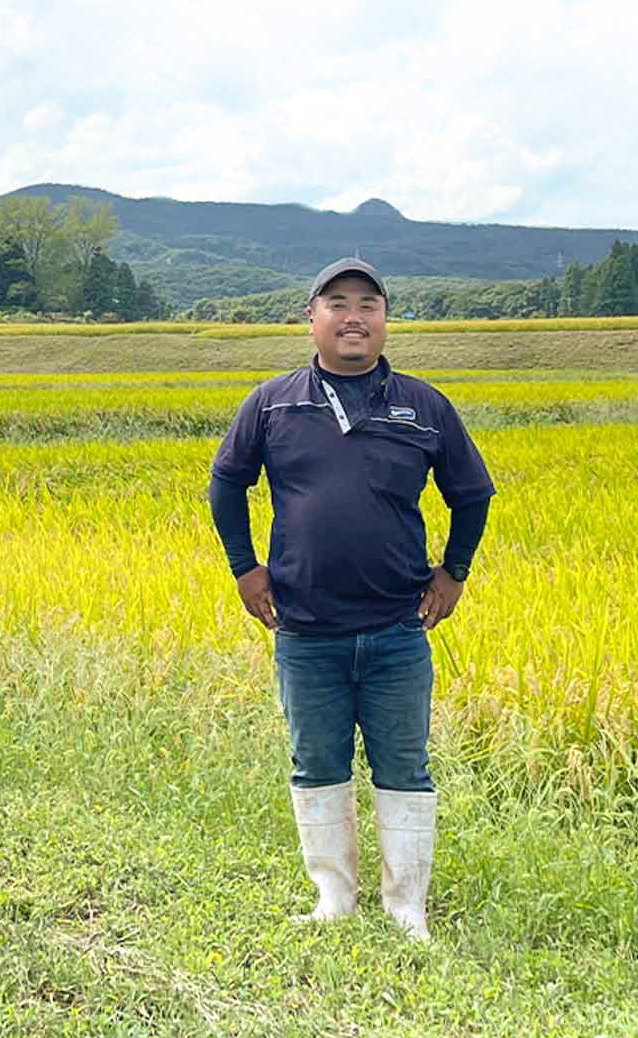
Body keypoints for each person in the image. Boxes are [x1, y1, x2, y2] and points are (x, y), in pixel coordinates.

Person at [208, 258, 494, 940]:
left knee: (405, 766)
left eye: (368, 303)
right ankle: (334, 896)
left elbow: (473, 493)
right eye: (337, 303)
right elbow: (226, 484)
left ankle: (406, 907)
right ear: (311, 318)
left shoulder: (423, 404)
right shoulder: (274, 402)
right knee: (317, 764)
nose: (354, 316)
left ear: (386, 319)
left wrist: (453, 571)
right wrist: (245, 569)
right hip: (306, 631)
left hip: (398, 628)